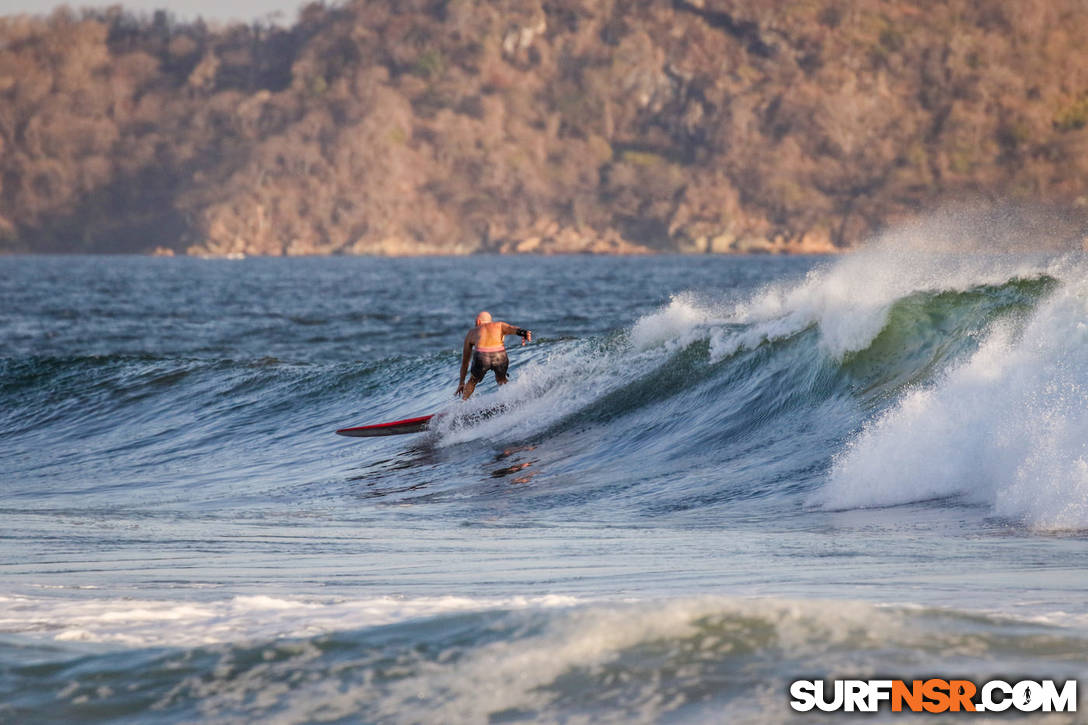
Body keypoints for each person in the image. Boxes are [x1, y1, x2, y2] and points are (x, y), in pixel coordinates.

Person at [456, 311, 532, 400]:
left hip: (482, 357)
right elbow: (512, 329)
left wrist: (461, 382)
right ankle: (514, 398)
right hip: (499, 356)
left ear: (478, 322)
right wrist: (524, 332)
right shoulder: (499, 325)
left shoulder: (472, 332)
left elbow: (465, 362)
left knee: (472, 382)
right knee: (501, 379)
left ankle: (462, 406)